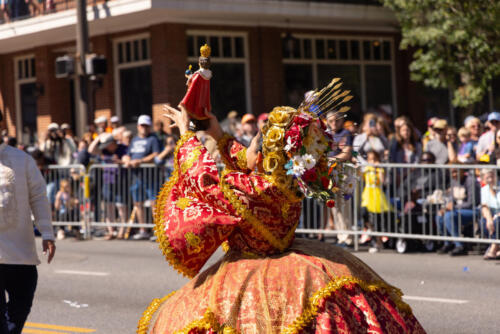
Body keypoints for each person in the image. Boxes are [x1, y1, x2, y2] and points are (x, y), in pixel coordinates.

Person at [139, 81, 425, 333]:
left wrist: (186, 135)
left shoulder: (252, 189)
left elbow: (207, 180)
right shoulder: (288, 180)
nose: (245, 149)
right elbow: (248, 162)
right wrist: (216, 133)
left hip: (251, 269)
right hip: (291, 257)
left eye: (251, 146)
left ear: (264, 157)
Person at [0, 137, 56, 334]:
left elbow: (38, 196)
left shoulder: (21, 159)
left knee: (20, 310)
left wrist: (47, 232)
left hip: (20, 253)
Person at [123, 115, 160, 240]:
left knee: (154, 202)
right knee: (138, 203)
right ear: (138, 126)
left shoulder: (153, 139)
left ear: (149, 127)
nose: (143, 128)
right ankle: (143, 229)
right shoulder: (134, 140)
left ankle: (157, 230)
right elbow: (128, 154)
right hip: (136, 176)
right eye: (141, 125)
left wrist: (140, 161)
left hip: (149, 176)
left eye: (146, 125)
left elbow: (155, 154)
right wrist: (127, 159)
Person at [89, 133, 128, 240]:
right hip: (107, 182)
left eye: (107, 144)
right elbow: (91, 150)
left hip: (120, 182)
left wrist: (119, 161)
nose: (105, 147)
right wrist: (98, 138)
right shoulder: (104, 150)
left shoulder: (122, 148)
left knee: (121, 207)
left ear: (112, 143)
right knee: (108, 207)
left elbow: (126, 159)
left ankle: (122, 231)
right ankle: (111, 231)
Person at [436, 168, 479, 256]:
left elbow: (472, 203)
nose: (454, 174)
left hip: (472, 210)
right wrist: (446, 208)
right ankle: (447, 243)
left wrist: (454, 207)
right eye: (452, 172)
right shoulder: (453, 182)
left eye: (456, 171)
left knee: (449, 216)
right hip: (457, 210)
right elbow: (451, 199)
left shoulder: (470, 181)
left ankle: (460, 245)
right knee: (439, 216)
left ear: (462, 171)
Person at [360, 150, 392, 253]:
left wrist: (377, 169)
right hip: (367, 194)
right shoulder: (367, 169)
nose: (372, 161)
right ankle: (368, 229)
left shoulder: (379, 169)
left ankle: (377, 242)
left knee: (376, 219)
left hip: (377, 194)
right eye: (370, 159)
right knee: (364, 213)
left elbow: (382, 181)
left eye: (374, 159)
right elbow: (361, 177)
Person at [479, 169, 500, 260]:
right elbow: (484, 207)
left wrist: (496, 217)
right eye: (488, 178)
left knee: (498, 221)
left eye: (492, 177)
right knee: (483, 221)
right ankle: (495, 247)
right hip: (492, 214)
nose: (490, 180)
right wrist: (489, 219)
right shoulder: (484, 190)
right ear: (483, 179)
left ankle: (493, 248)